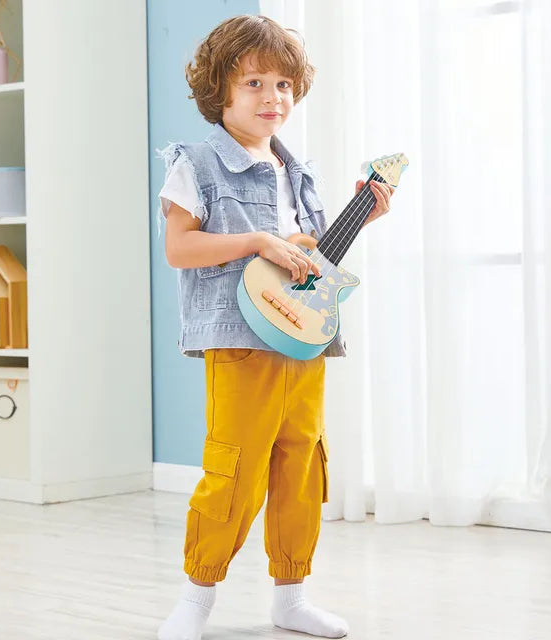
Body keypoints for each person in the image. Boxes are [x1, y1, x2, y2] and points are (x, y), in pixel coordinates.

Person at [156, 14, 393, 640]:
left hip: (303, 338)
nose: (272, 97)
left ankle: (291, 596)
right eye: (254, 82)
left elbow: (311, 260)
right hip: (239, 342)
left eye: (284, 84)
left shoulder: (298, 171)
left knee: (301, 465)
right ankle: (195, 598)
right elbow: (179, 248)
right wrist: (257, 240)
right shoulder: (196, 164)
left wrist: (360, 218)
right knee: (234, 471)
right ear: (219, 90)